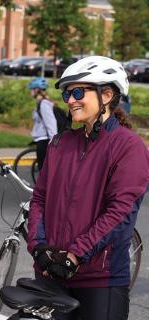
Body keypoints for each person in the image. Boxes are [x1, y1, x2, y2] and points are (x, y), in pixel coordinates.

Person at [27, 56, 149, 320]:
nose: (70, 100)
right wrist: (39, 248)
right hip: (52, 272)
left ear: (106, 94)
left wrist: (76, 255)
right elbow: (39, 199)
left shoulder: (128, 147)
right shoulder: (60, 143)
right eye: (67, 93)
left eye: (78, 92)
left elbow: (119, 213)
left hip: (99, 280)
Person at [27, 77, 58, 171]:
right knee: (44, 172)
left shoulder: (44, 104)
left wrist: (53, 143)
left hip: (44, 141)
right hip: (41, 140)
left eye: (32, 89)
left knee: (45, 173)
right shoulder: (41, 103)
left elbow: (51, 123)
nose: (30, 92)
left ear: (37, 90)